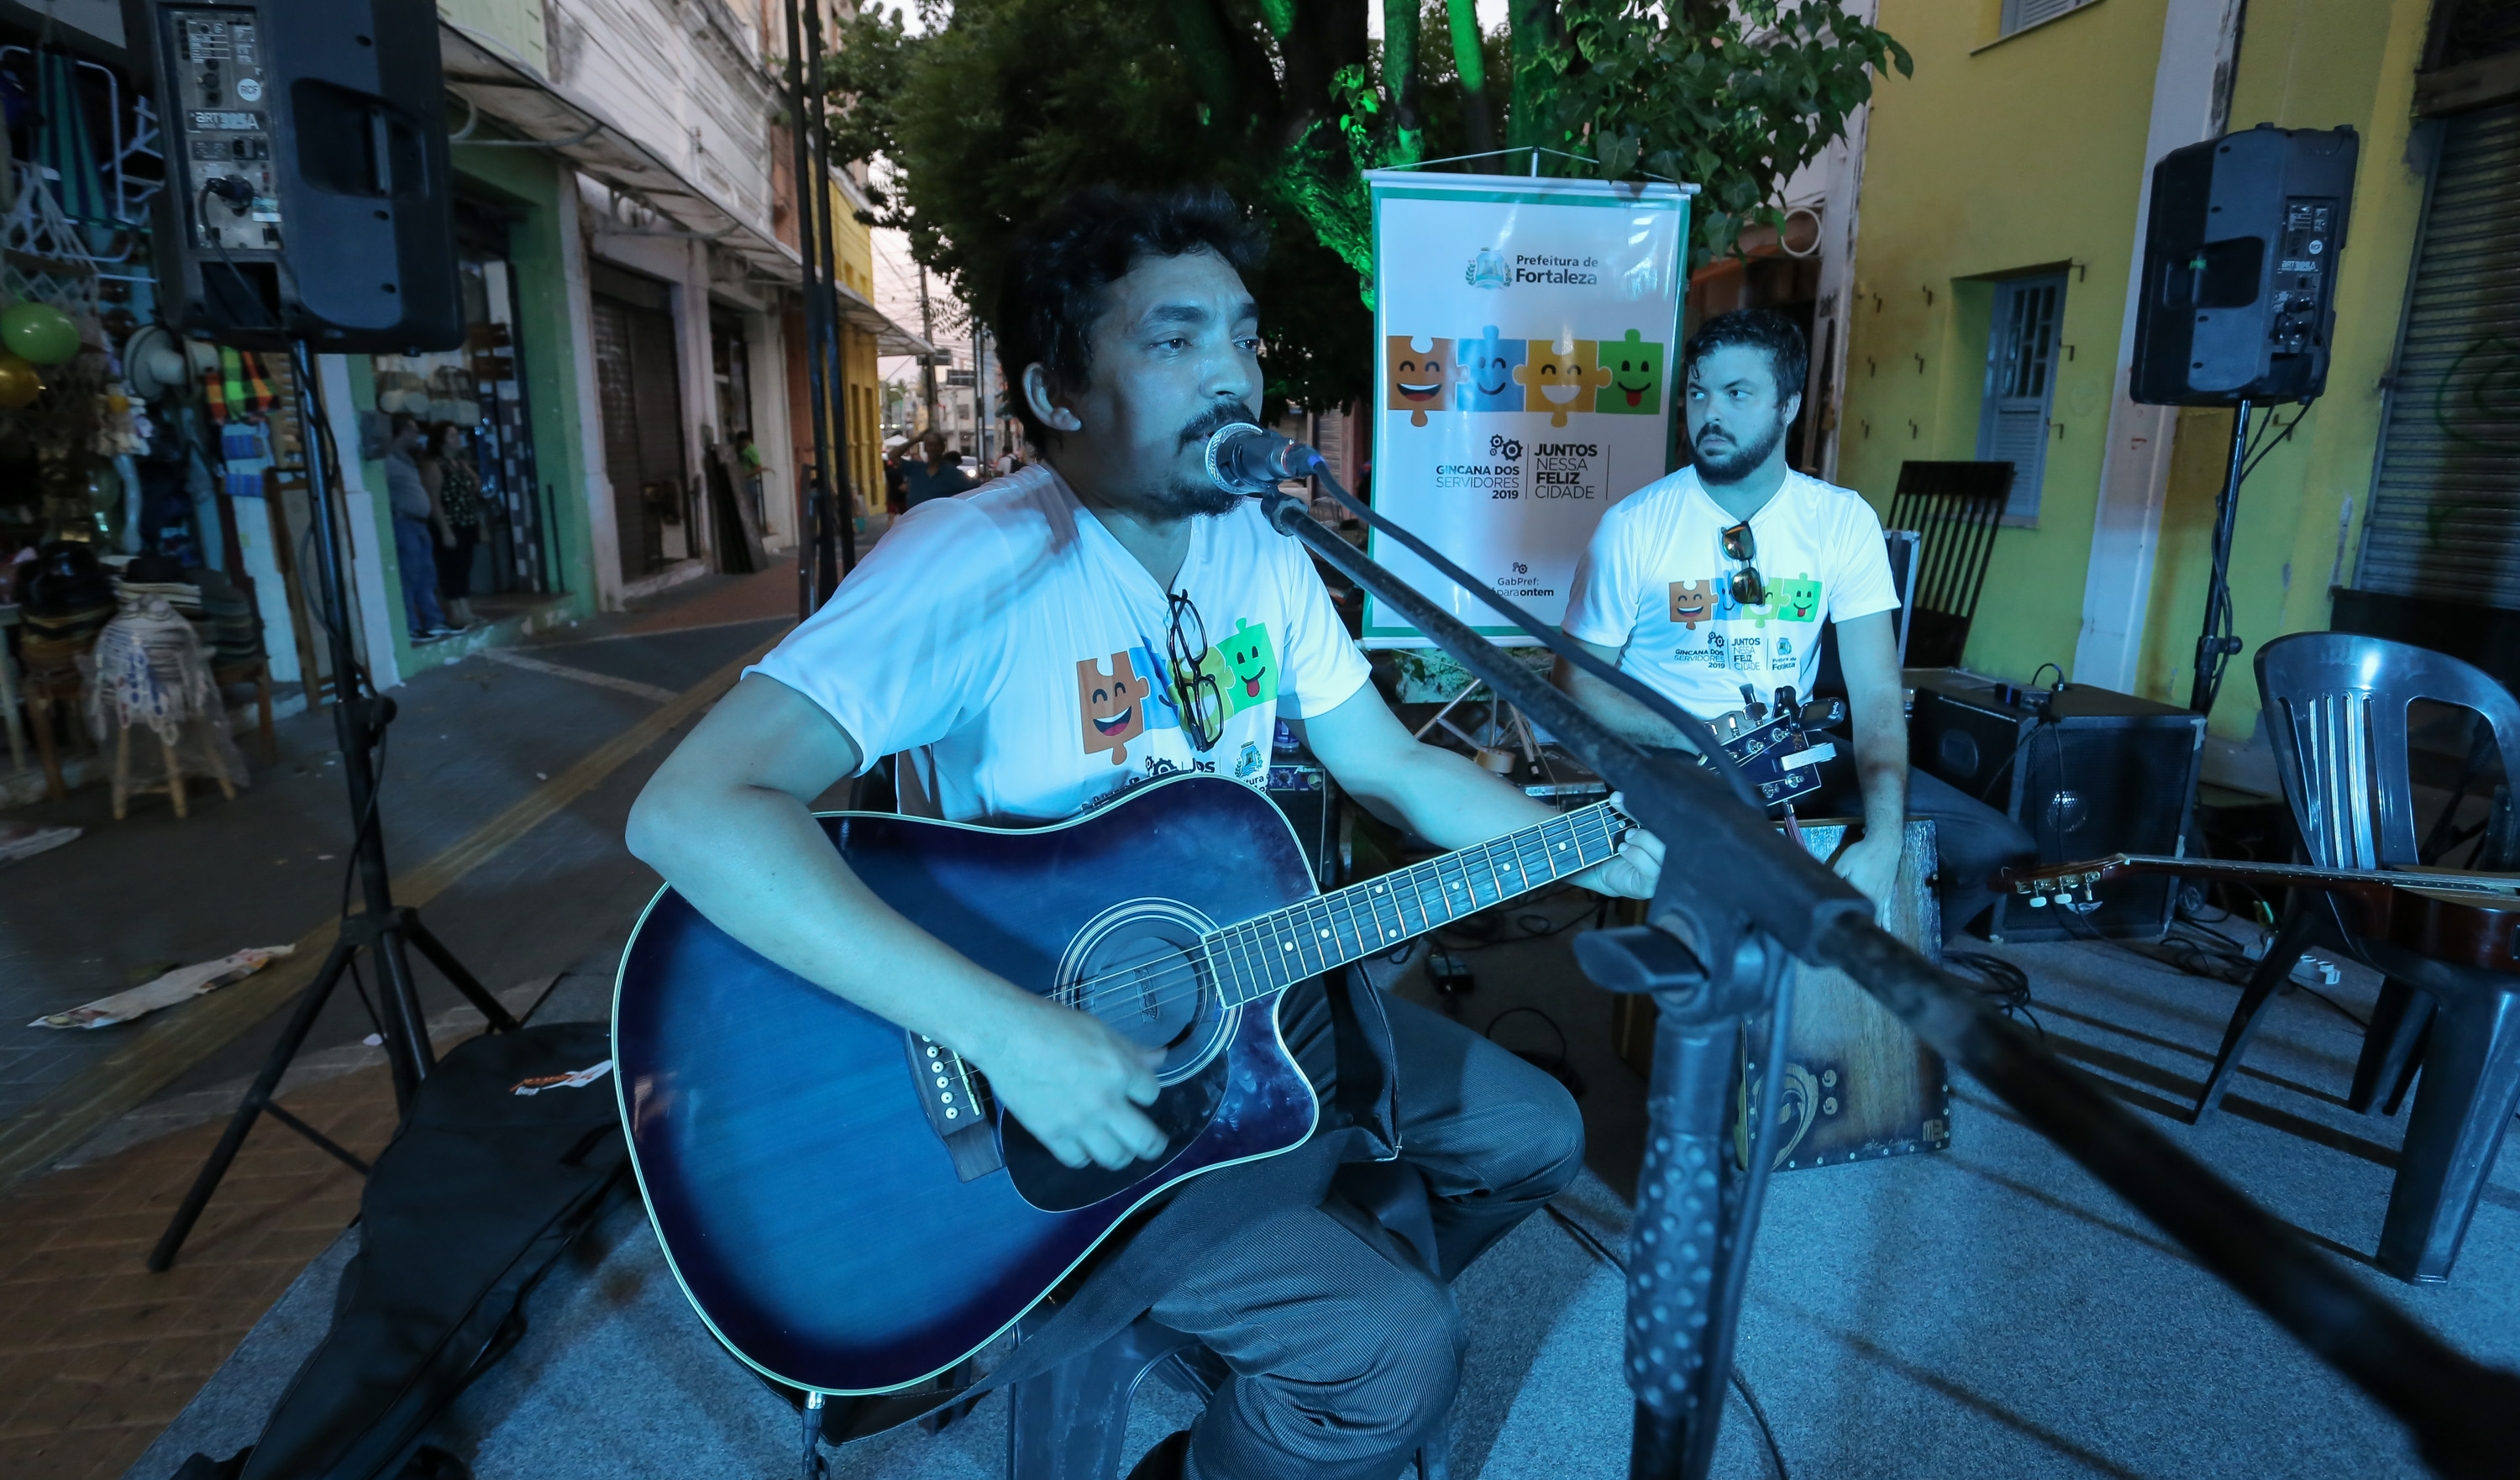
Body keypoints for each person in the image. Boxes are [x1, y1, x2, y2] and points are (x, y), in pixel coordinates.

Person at [626, 185, 1662, 1480]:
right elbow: (689, 810)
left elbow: (1385, 759)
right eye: (1173, 342)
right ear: (1056, 393)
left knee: (1539, 1134)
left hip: (1242, 1020)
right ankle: (1298, 1383)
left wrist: (1585, 838)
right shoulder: (975, 559)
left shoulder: (1263, 548)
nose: (1230, 373)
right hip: (1032, 1103)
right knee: (1401, 1351)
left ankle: (1294, 1362)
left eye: (1242, 335)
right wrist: (1007, 1030)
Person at [1554, 308, 2032, 941]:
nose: (1710, 414)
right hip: (1673, 755)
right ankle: (1748, 997)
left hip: (1787, 751)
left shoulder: (1840, 521)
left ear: (1789, 406)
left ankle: (1853, 995)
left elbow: (1878, 694)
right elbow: (1574, 682)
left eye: (1737, 393)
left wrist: (1887, 839)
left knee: (1993, 849)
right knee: (1746, 875)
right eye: (1698, 393)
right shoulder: (1634, 526)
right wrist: (1694, 735)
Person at [381, 413, 451, 642]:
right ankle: (411, 626)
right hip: (403, 522)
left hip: (419, 524)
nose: (417, 436)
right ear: (401, 433)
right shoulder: (387, 460)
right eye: (413, 431)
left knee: (426, 576)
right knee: (409, 575)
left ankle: (434, 621)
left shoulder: (406, 459)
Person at [421, 423, 485, 630]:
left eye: (457, 435)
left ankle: (465, 609)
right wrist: (445, 529)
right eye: (452, 436)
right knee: (451, 566)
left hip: (466, 520)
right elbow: (434, 499)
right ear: (442, 441)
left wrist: (466, 466)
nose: (457, 439)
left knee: (465, 565)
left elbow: (475, 485)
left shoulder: (459, 462)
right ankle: (455, 611)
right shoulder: (436, 465)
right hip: (450, 521)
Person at [899, 428, 974, 506]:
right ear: (925, 448)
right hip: (917, 517)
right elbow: (893, 455)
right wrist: (917, 439)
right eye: (929, 445)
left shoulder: (953, 474)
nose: (933, 448)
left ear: (943, 448)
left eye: (936, 445)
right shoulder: (916, 468)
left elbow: (975, 489)